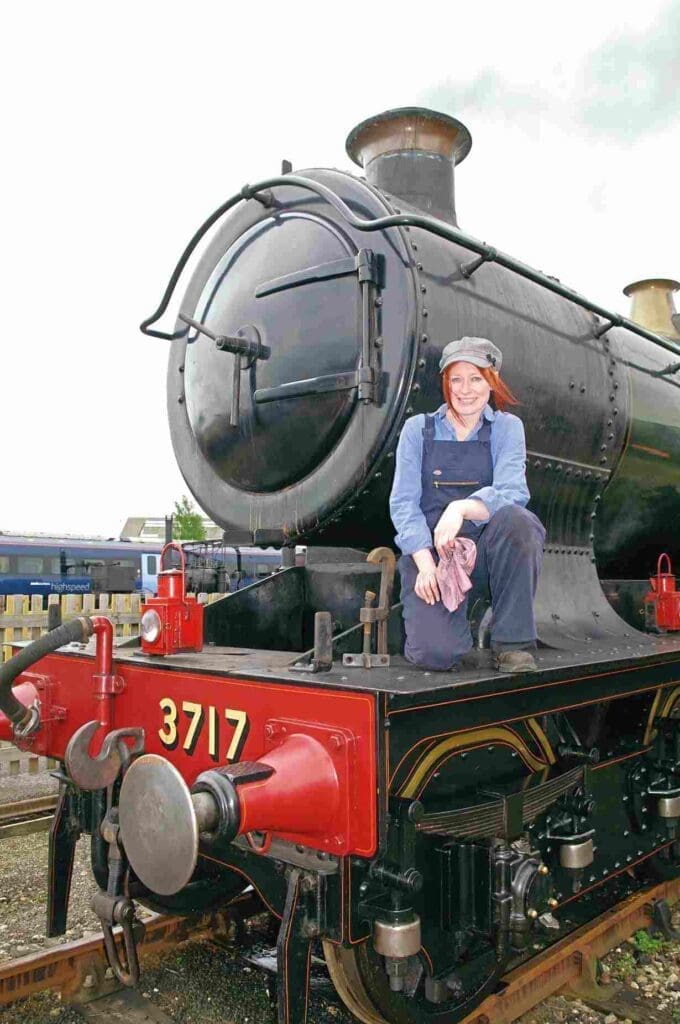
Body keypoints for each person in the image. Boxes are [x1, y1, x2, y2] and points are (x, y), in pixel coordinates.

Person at [389, 336, 545, 673]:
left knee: (520, 522)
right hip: (432, 554)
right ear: (446, 383)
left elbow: (512, 491)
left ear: (491, 382)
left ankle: (512, 645)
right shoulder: (418, 429)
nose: (466, 389)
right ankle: (452, 631)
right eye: (456, 379)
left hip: (486, 555)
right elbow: (403, 503)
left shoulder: (506, 427)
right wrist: (425, 564)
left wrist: (460, 508)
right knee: (434, 655)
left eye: (476, 378)